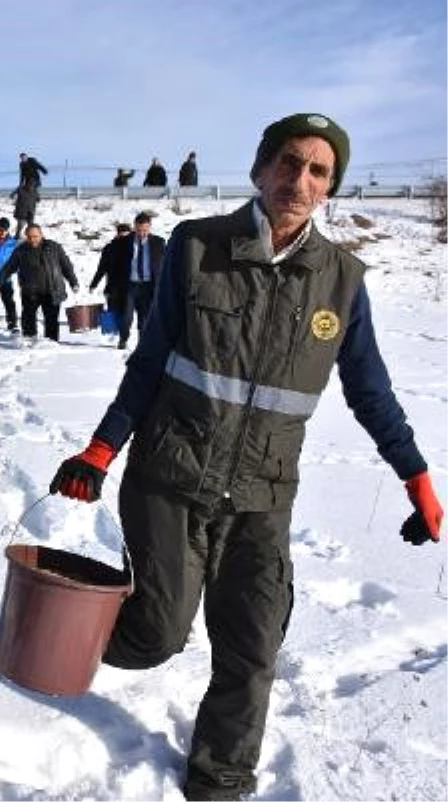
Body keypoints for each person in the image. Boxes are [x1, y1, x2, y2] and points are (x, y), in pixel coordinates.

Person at [49, 113, 443, 801]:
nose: (300, 179)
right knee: (156, 637)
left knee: (254, 648)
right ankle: (55, 630)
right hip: (170, 476)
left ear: (330, 190)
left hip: (262, 495)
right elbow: (149, 363)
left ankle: (218, 783)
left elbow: (371, 392)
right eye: (289, 162)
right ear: (261, 170)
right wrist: (101, 447)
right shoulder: (198, 247)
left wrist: (416, 476)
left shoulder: (342, 283)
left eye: (319, 171)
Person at [0, 223, 79, 341]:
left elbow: (66, 267)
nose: (32, 239)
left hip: (52, 291)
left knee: (51, 321)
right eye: (29, 237)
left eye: (35, 236)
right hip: (30, 292)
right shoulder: (21, 250)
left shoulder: (54, 248)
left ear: (41, 235)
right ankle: (29, 341)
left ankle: (51, 344)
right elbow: (8, 268)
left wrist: (73, 282)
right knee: (28, 319)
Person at [96, 211, 164, 349]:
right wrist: (110, 286)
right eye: (139, 230)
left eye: (145, 230)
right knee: (126, 317)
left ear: (150, 227)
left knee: (145, 319)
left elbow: (164, 265)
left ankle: (142, 344)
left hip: (148, 286)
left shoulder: (159, 242)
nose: (142, 233)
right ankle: (123, 338)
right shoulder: (123, 243)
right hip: (130, 286)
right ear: (134, 227)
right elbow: (113, 266)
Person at [90, 221, 133, 330]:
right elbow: (102, 268)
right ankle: (111, 332)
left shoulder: (135, 247)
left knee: (126, 312)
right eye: (121, 235)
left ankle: (123, 334)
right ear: (117, 234)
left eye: (126, 235)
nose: (123, 238)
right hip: (112, 285)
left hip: (130, 286)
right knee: (112, 309)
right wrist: (94, 284)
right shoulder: (109, 248)